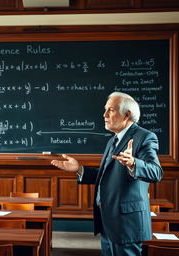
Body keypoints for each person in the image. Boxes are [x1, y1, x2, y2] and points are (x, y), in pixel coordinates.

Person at [51, 92, 163, 256]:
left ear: (127, 115)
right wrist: (79, 169)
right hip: (108, 221)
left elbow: (156, 172)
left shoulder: (145, 137)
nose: (104, 115)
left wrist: (133, 162)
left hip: (126, 224)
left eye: (110, 110)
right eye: (105, 110)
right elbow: (107, 176)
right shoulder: (113, 140)